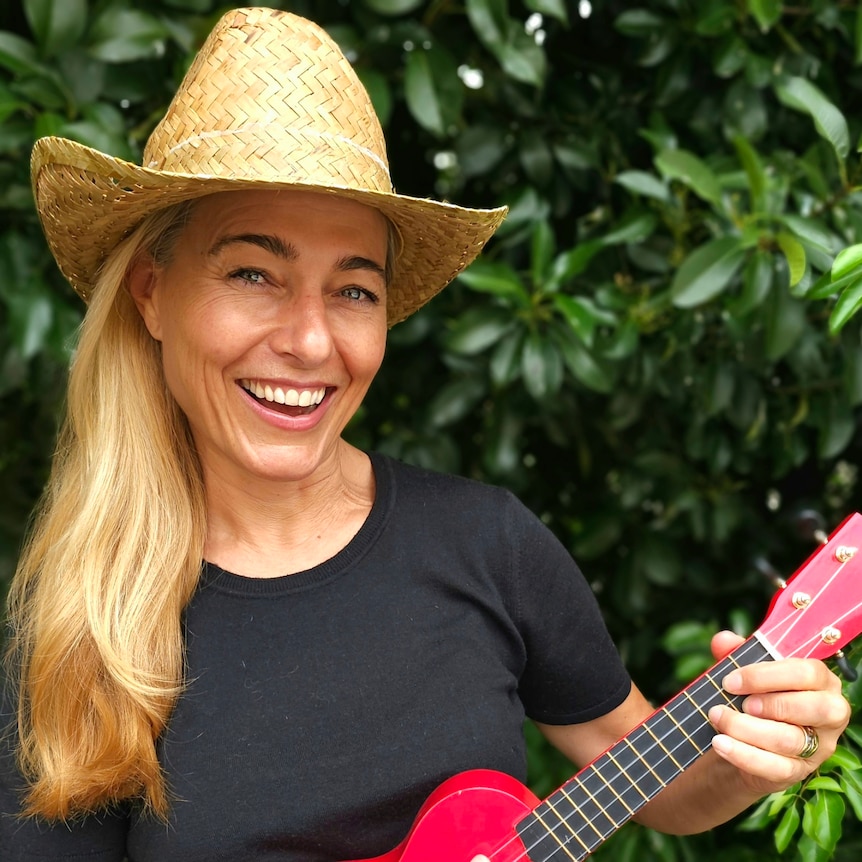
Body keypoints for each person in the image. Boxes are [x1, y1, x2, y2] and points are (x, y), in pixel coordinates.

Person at [0, 7, 850, 861]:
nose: (310, 341)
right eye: (254, 273)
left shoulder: (489, 544)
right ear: (151, 292)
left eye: (354, 290)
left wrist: (751, 758)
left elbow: (651, 780)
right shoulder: (77, 628)